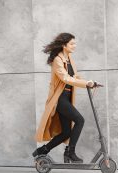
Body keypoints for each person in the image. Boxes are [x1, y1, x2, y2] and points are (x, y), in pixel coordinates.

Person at [32, 32, 97, 163]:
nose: (74, 46)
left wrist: (90, 83)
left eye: (75, 43)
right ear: (64, 45)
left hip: (66, 97)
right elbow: (65, 78)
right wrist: (86, 84)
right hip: (59, 98)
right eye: (72, 43)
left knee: (66, 132)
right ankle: (70, 152)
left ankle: (42, 151)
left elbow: (75, 77)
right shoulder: (57, 60)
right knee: (80, 120)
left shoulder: (69, 59)